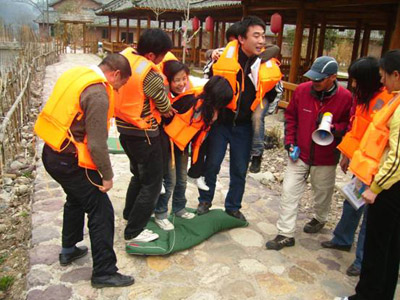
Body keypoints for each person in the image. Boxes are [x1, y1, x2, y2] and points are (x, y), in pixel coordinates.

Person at [34, 54, 135, 288]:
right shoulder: (98, 93)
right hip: (68, 160)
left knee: (76, 198)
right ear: (116, 74)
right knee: (101, 209)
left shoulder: (77, 74)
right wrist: (107, 176)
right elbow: (97, 144)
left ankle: (69, 248)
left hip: (52, 151)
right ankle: (104, 271)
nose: (119, 89)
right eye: (122, 84)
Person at [196, 16, 282, 221]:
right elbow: (207, 82)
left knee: (239, 169)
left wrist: (262, 111)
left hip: (244, 126)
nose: (261, 40)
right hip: (221, 123)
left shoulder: (267, 63)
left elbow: (276, 93)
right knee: (212, 164)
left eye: (263, 35)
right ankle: (205, 200)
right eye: (256, 36)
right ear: (242, 39)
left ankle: (233, 206)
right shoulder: (223, 58)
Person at [266, 56, 352, 250]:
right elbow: (291, 117)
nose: (314, 82)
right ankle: (285, 233)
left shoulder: (346, 97)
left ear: (332, 77)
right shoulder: (302, 91)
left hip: (326, 157)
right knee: (288, 192)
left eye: (319, 79)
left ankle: (321, 218)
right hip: (300, 153)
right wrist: (289, 142)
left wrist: (334, 128)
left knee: (322, 192)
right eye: (312, 78)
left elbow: (350, 126)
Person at [335, 49, 400, 300]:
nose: (382, 80)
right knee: (390, 248)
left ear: (396, 74)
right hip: (385, 182)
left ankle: (366, 295)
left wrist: (376, 187)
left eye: (384, 75)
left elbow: (395, 157)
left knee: (376, 246)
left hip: (388, 187)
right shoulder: (394, 98)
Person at [320, 57, 392, 276]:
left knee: (371, 217)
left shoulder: (388, 101)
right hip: (361, 162)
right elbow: (356, 128)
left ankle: (362, 260)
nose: (352, 85)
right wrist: (346, 154)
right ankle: (342, 239)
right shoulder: (363, 97)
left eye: (356, 80)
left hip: (378, 169)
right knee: (351, 203)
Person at [155, 63, 234, 230]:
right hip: (168, 144)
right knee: (170, 181)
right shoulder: (188, 100)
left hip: (182, 147)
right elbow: (163, 123)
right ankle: (160, 213)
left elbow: (199, 142)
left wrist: (196, 170)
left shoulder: (209, 112)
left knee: (182, 180)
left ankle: (179, 208)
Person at [115, 28, 173, 244]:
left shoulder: (123, 60)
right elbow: (164, 105)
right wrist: (167, 107)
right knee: (152, 182)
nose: (161, 61)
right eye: (161, 56)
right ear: (151, 56)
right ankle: (134, 231)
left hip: (124, 130)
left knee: (138, 177)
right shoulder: (149, 74)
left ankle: (130, 214)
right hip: (145, 134)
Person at [249, 45, 283, 173]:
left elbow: (275, 48)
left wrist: (257, 58)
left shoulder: (264, 53)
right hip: (244, 95)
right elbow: (210, 52)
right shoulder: (237, 51)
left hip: (262, 96)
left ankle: (257, 154)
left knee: (257, 118)